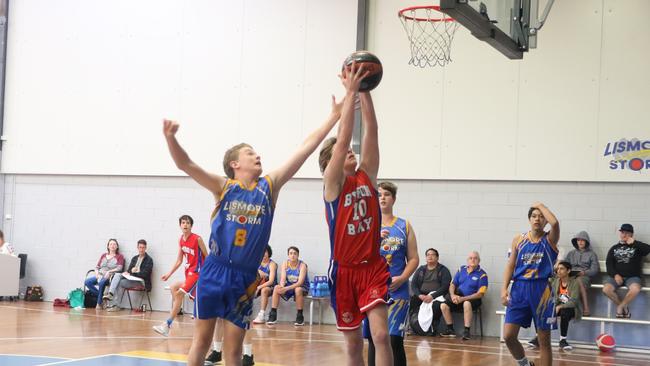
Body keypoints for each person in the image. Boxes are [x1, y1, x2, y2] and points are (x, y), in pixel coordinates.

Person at [163, 93, 343, 366]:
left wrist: (333, 117)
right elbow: (185, 164)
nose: (257, 155)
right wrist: (171, 138)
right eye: (250, 153)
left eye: (256, 152)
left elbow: (304, 149)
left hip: (245, 279)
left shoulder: (269, 186)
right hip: (214, 271)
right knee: (201, 342)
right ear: (235, 164)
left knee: (234, 353)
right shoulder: (223, 186)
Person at [319, 63, 393, 366]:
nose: (349, 150)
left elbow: (371, 132)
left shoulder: (366, 176)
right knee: (352, 348)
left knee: (380, 336)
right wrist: (350, 93)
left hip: (372, 267)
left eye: (350, 149)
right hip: (345, 272)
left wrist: (365, 92)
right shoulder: (333, 185)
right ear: (329, 163)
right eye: (342, 150)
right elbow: (343, 138)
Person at [362, 181, 419, 366]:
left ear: (393, 199)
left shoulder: (405, 226)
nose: (382, 198)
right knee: (374, 338)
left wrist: (402, 277)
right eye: (379, 194)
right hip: (372, 290)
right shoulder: (367, 225)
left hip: (397, 290)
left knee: (394, 339)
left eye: (386, 194)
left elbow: (413, 259)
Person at [502, 202, 559, 366]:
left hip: (542, 291)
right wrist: (503, 289)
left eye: (541, 217)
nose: (537, 219)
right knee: (508, 336)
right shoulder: (518, 239)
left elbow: (555, 223)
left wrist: (541, 206)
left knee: (544, 341)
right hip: (519, 288)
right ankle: (525, 364)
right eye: (534, 216)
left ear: (545, 221)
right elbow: (510, 266)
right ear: (529, 219)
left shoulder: (550, 239)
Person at [153, 215, 208, 336]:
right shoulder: (181, 240)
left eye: (188, 223)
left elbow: (207, 256)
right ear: (180, 225)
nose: (185, 225)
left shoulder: (197, 239)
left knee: (179, 294)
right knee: (173, 287)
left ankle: (167, 324)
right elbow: (179, 260)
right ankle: (180, 308)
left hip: (197, 273)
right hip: (188, 273)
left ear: (191, 225)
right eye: (183, 223)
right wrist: (168, 274)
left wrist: (207, 275)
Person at [529, 261, 582, 351]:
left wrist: (560, 306)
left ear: (568, 271)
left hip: (571, 308)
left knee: (565, 313)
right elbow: (553, 296)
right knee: (539, 311)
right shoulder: (555, 281)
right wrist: (556, 304)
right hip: (556, 307)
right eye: (558, 269)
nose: (559, 271)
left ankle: (563, 340)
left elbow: (574, 301)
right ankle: (539, 337)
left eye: (562, 269)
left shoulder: (575, 283)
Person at [603, 223, 650, 318]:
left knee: (635, 289)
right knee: (606, 289)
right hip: (616, 277)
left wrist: (634, 243)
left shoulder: (637, 247)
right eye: (622, 232)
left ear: (631, 235)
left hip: (632, 277)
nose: (624, 235)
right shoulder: (614, 248)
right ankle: (624, 307)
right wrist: (615, 275)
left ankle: (620, 306)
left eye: (627, 233)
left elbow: (648, 249)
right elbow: (609, 264)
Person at [439, 251, 488, 340]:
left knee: (466, 303)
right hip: (458, 297)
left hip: (473, 299)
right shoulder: (461, 269)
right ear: (467, 260)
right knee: (443, 305)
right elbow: (452, 284)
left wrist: (463, 299)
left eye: (475, 258)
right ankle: (450, 329)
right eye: (470, 258)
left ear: (479, 261)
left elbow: (480, 294)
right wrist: (453, 295)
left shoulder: (482, 275)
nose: (473, 260)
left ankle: (466, 331)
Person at [409, 248, 452, 336]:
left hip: (437, 296)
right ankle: (413, 328)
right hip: (422, 296)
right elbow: (413, 284)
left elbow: (445, 286)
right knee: (413, 300)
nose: (430, 256)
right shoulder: (421, 269)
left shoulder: (443, 270)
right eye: (428, 255)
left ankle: (432, 328)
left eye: (432, 255)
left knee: (436, 306)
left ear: (437, 257)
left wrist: (432, 296)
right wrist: (419, 295)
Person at [103, 239, 154, 311]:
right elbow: (129, 270)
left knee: (120, 283)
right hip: (132, 279)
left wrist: (134, 272)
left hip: (142, 282)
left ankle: (116, 305)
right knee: (117, 275)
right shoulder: (135, 258)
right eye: (140, 247)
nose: (141, 249)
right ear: (137, 248)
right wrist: (128, 272)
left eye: (143, 247)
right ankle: (110, 294)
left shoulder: (149, 260)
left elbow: (145, 274)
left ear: (145, 248)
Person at [267, 246, 309, 326]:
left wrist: (286, 288)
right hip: (289, 285)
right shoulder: (285, 263)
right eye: (291, 253)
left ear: (298, 255)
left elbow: (300, 282)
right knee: (276, 287)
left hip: (302, 287)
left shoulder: (302, 265)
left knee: (298, 289)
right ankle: (273, 314)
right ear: (288, 255)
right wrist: (282, 287)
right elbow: (283, 279)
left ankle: (300, 316)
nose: (293, 255)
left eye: (295, 253)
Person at [563, 230, 597, 316]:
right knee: (562, 282)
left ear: (586, 241)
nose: (580, 242)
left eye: (582, 240)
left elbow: (594, 270)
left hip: (584, 276)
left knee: (578, 281)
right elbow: (564, 266)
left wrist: (584, 272)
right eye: (578, 240)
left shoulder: (592, 254)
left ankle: (586, 308)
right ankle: (564, 306)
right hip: (571, 275)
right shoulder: (571, 253)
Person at [85, 239, 125, 309]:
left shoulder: (119, 256)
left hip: (109, 277)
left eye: (114, 244)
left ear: (117, 247)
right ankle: (102, 296)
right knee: (87, 282)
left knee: (102, 282)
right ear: (108, 246)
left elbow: (119, 268)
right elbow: (97, 267)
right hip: (100, 275)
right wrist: (97, 273)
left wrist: (109, 272)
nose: (112, 246)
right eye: (111, 244)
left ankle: (99, 303)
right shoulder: (103, 255)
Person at [252, 245, 278, 324]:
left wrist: (258, 287)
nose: (263, 254)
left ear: (268, 252)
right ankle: (243, 312)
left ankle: (262, 314)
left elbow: (271, 281)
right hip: (257, 285)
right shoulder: (256, 262)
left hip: (270, 287)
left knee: (264, 290)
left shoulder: (272, 264)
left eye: (265, 252)